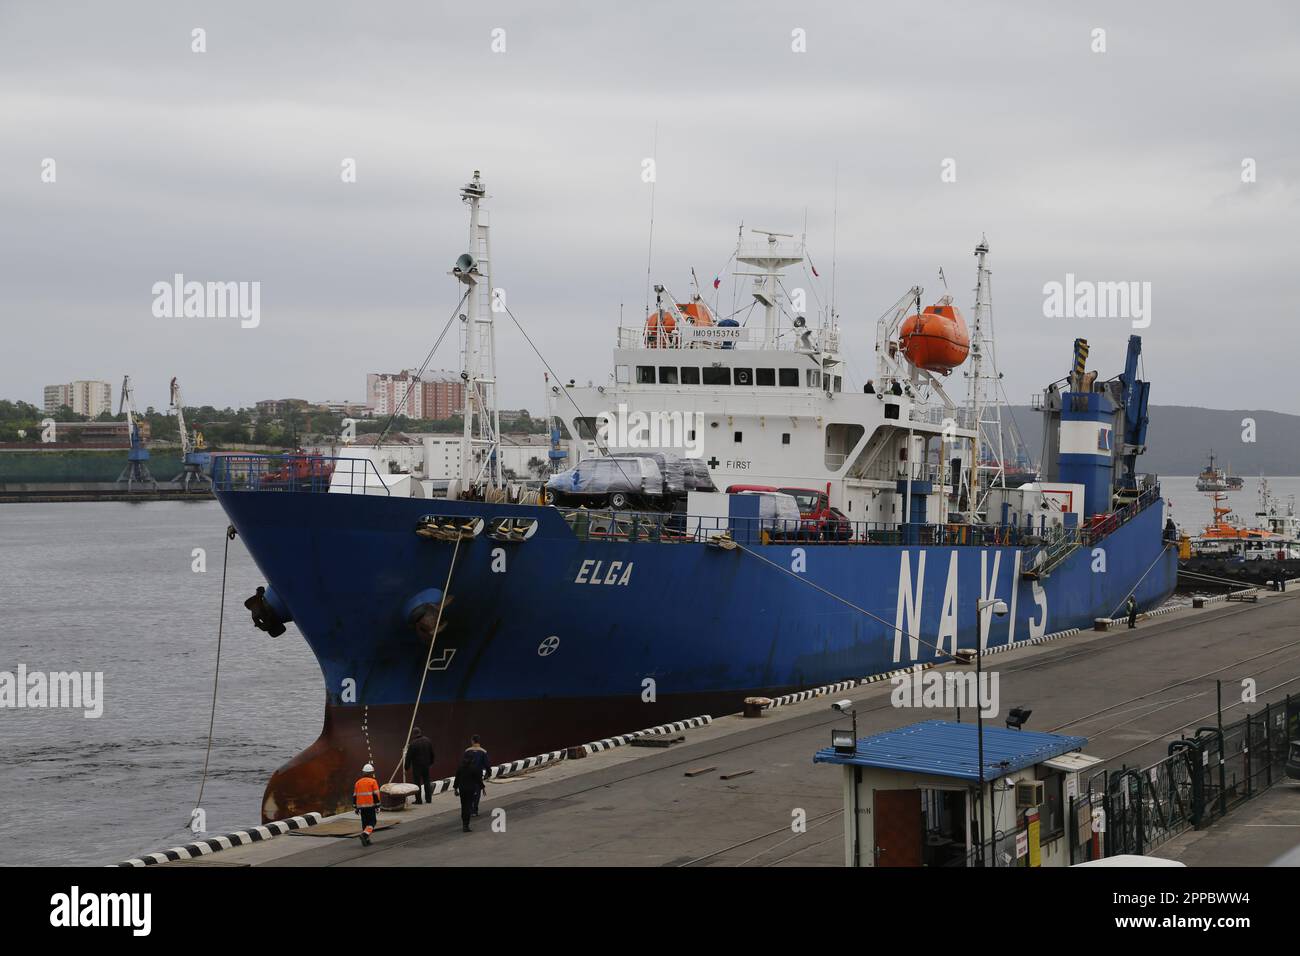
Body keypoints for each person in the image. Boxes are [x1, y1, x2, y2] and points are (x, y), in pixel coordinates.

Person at [452, 752, 482, 832]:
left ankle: (464, 824)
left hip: (462, 789)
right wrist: (482, 787)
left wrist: (455, 789)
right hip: (470, 790)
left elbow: (457, 779)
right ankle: (466, 825)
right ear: (472, 760)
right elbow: (478, 779)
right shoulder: (473, 768)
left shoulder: (460, 767)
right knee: (468, 806)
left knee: (463, 806)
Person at [404, 727, 435, 804]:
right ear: (420, 732)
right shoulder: (428, 741)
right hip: (426, 765)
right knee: (427, 782)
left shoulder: (413, 744)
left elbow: (409, 757)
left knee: (417, 783)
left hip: (417, 767)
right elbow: (432, 753)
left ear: (414, 734)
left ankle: (418, 800)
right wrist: (431, 762)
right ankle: (428, 799)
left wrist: (406, 767)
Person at [353, 763, 381, 846]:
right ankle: (364, 835)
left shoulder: (357, 783)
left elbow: (355, 796)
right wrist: (378, 805)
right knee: (372, 822)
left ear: (363, 772)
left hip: (361, 807)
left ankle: (366, 840)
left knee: (365, 823)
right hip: (370, 806)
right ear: (371, 773)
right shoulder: (373, 781)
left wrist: (355, 807)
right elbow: (376, 794)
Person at [464, 735, 490, 816]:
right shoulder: (483, 751)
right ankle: (475, 810)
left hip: (468, 775)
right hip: (478, 775)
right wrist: (488, 773)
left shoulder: (467, 751)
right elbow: (487, 764)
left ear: (472, 741)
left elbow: (463, 764)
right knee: (477, 792)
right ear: (479, 741)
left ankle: (470, 809)